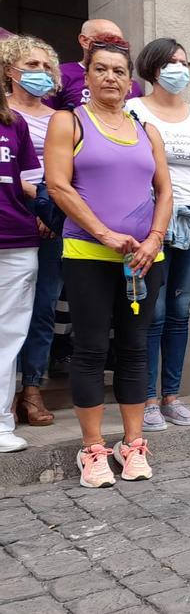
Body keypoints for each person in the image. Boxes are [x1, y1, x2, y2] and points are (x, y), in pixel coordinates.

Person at [44, 34, 171, 485]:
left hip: (142, 259)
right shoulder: (69, 122)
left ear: (130, 79)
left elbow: (164, 189)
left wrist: (155, 239)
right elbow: (57, 185)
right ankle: (93, 449)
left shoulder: (146, 129)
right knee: (91, 349)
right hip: (87, 254)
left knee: (135, 350)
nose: (111, 78)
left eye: (119, 71)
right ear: (88, 73)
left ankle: (132, 443)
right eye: (102, 69)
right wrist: (103, 234)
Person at [127, 38, 190, 432]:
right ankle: (147, 399)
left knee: (181, 312)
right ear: (152, 67)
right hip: (152, 221)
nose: (179, 68)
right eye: (171, 62)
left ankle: (172, 396)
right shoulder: (134, 109)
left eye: (184, 62)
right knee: (156, 311)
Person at [2, 35, 60, 427]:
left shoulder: (59, 116)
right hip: (18, 215)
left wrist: (50, 209)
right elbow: (19, 176)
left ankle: (32, 388)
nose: (40, 73)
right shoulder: (5, 114)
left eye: (45, 67)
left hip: (49, 224)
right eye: (31, 66)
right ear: (9, 70)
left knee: (41, 311)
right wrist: (38, 198)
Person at [0, 82, 42, 452]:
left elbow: (31, 181)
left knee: (9, 334)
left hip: (15, 240)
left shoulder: (14, 122)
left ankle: (1, 423)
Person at [45, 19, 142, 110]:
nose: (113, 46)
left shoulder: (133, 86)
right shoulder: (60, 74)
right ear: (84, 41)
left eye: (119, 42)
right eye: (106, 39)